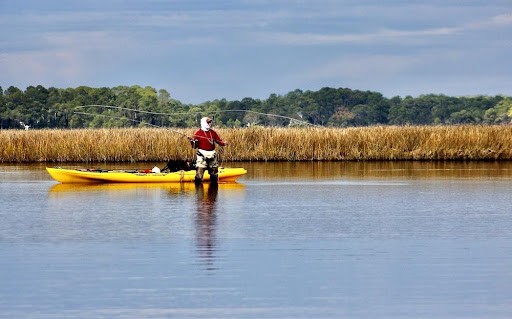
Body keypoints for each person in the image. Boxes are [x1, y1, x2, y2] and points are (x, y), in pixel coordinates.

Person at [189, 117, 227, 184]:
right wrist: (192, 141)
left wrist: (224, 143)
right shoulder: (198, 133)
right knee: (199, 175)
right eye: (208, 122)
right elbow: (194, 147)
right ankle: (198, 191)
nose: (210, 124)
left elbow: (219, 141)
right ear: (204, 123)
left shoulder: (213, 133)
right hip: (202, 155)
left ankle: (213, 192)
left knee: (214, 175)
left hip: (212, 154)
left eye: (210, 122)